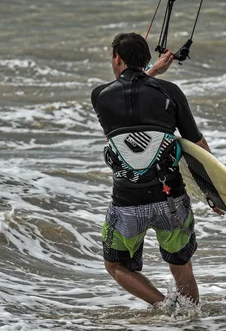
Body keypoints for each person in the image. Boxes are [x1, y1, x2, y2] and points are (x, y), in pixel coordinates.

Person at [91, 32, 219, 307]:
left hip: (127, 203)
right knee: (181, 266)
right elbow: (197, 145)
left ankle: (163, 306)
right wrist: (214, 193)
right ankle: (190, 322)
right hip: (171, 198)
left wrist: (151, 72)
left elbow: (127, 93)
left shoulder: (100, 96)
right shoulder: (170, 92)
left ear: (117, 58)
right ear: (146, 59)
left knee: (115, 265)